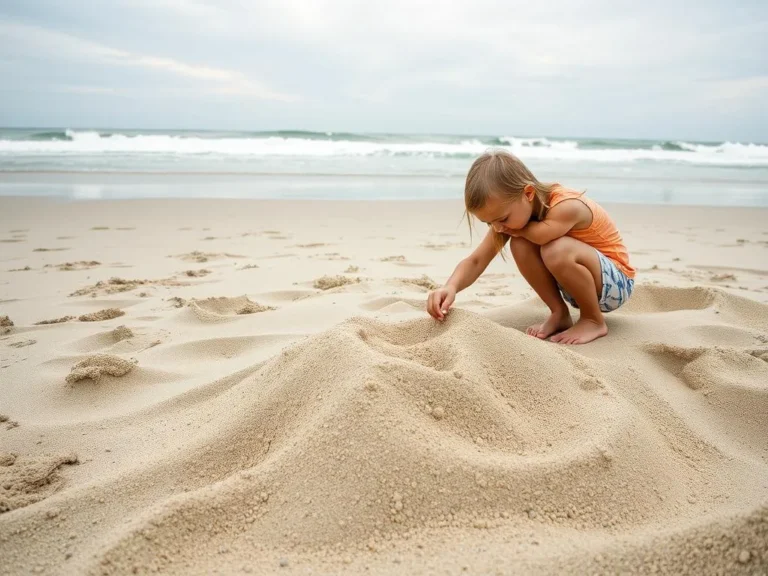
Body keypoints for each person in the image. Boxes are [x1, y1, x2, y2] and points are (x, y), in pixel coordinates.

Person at [426, 150, 635, 345]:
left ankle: (593, 320)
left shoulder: (567, 205)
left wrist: (515, 231)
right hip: (578, 286)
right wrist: (450, 287)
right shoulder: (510, 220)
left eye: (502, 219)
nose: (498, 228)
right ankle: (559, 313)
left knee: (554, 249)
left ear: (528, 193)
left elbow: (543, 235)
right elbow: (477, 260)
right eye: (489, 223)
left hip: (615, 283)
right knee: (521, 244)